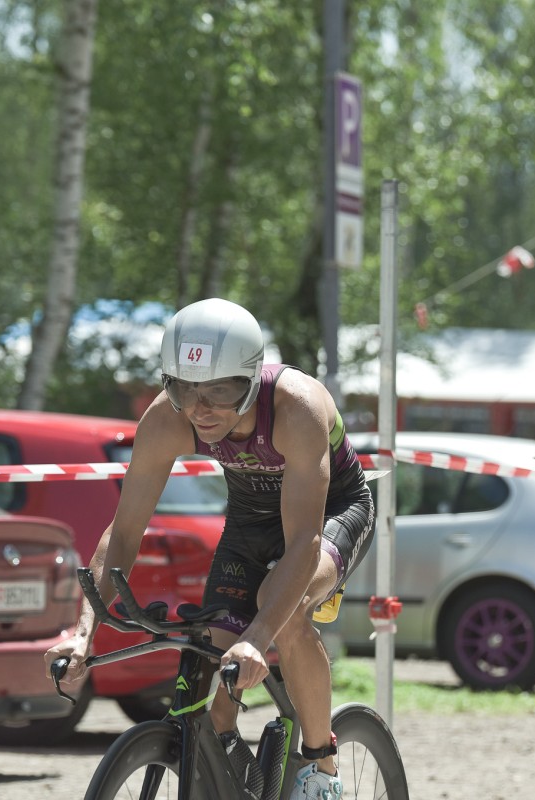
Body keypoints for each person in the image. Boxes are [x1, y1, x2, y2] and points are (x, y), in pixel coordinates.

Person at [45, 297, 375, 800]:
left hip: (332, 514)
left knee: (284, 613)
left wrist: (258, 636)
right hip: (248, 524)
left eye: (220, 391)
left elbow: (304, 543)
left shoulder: (297, 407)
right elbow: (125, 532)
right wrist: (83, 633)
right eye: (185, 388)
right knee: (215, 682)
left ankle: (320, 769)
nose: (201, 409)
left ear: (251, 378)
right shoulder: (167, 418)